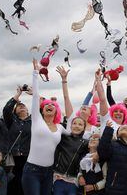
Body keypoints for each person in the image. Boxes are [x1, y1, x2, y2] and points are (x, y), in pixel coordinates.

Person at [21, 59, 69, 195]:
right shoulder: (37, 120)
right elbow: (36, 95)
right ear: (42, 110)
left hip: (49, 172)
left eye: (53, 105)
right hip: (32, 171)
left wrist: (64, 81)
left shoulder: (60, 127)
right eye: (46, 105)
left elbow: (74, 131)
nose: (49, 105)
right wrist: (35, 73)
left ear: (56, 111)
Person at [53, 65, 89, 195]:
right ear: (70, 124)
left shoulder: (85, 143)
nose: (77, 126)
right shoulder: (64, 137)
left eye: (80, 125)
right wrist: (64, 80)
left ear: (84, 128)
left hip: (73, 180)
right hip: (58, 177)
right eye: (75, 123)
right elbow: (66, 98)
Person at [3, 85, 32, 195]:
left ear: (27, 109)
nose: (21, 107)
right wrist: (18, 95)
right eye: (19, 106)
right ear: (15, 110)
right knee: (13, 184)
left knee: (26, 184)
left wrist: (33, 93)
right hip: (13, 159)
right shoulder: (12, 121)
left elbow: (40, 108)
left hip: (28, 157)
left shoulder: (34, 121)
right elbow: (6, 109)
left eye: (23, 106)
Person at [95, 69, 127, 136]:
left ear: (125, 115)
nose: (118, 113)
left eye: (121, 112)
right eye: (115, 111)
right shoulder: (106, 119)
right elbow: (102, 99)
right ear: (111, 113)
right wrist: (98, 79)